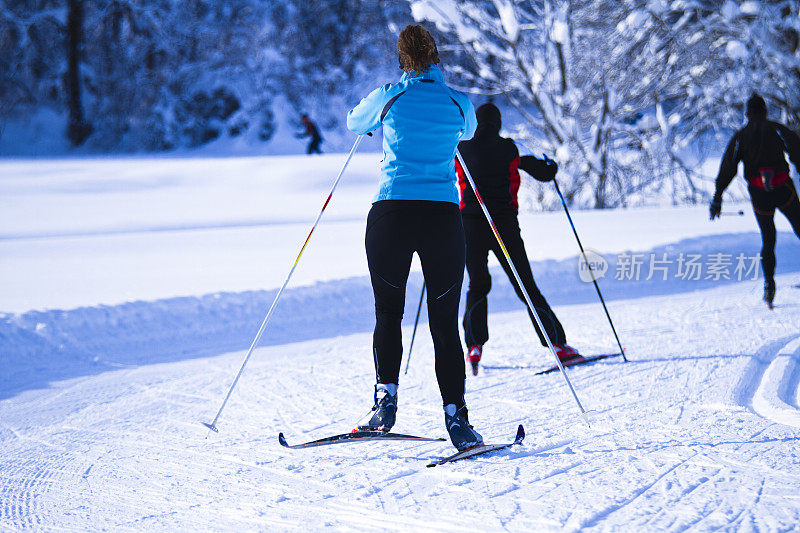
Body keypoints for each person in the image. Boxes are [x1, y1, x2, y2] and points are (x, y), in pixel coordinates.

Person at [346, 24, 481, 450]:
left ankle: (384, 401)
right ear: (437, 57)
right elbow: (469, 133)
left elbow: (355, 122)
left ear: (402, 58)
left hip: (392, 214)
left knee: (388, 312)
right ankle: (456, 418)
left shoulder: (390, 95)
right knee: (444, 322)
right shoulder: (458, 102)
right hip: (442, 216)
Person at [455, 103, 582, 375]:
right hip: (504, 226)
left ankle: (474, 345)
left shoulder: (461, 148)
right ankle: (557, 345)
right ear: (498, 124)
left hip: (470, 227)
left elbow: (441, 170)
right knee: (525, 284)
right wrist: (551, 165)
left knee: (477, 284)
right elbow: (545, 172)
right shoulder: (509, 148)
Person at [711, 93, 800, 309]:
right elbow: (798, 152)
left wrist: (718, 197)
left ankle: (769, 287)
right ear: (765, 111)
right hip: (783, 189)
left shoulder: (741, 136)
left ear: (747, 114)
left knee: (768, 240)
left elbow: (727, 168)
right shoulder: (777, 129)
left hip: (760, 195)